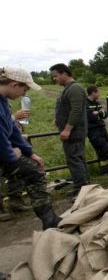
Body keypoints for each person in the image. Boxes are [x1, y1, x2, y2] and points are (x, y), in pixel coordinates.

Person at [0, 66, 61, 229]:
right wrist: (12, 154)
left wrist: (29, 153)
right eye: (24, 88)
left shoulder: (4, 102)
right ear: (13, 84)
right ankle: (49, 220)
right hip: (3, 154)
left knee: (34, 168)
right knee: (34, 171)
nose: (25, 93)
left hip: (5, 154)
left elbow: (12, 130)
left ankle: (49, 219)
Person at [50, 63, 89, 197]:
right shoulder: (68, 88)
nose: (54, 79)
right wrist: (58, 119)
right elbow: (67, 108)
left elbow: (76, 110)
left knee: (75, 159)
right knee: (76, 159)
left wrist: (67, 129)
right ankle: (83, 187)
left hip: (74, 132)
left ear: (64, 74)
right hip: (73, 131)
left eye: (55, 76)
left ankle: (82, 191)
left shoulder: (75, 88)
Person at [86, 85, 108, 174]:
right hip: (92, 131)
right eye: (98, 92)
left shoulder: (97, 103)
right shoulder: (85, 104)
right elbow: (90, 117)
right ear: (93, 93)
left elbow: (104, 115)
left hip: (102, 128)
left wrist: (98, 113)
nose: (99, 94)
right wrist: (98, 113)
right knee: (105, 149)